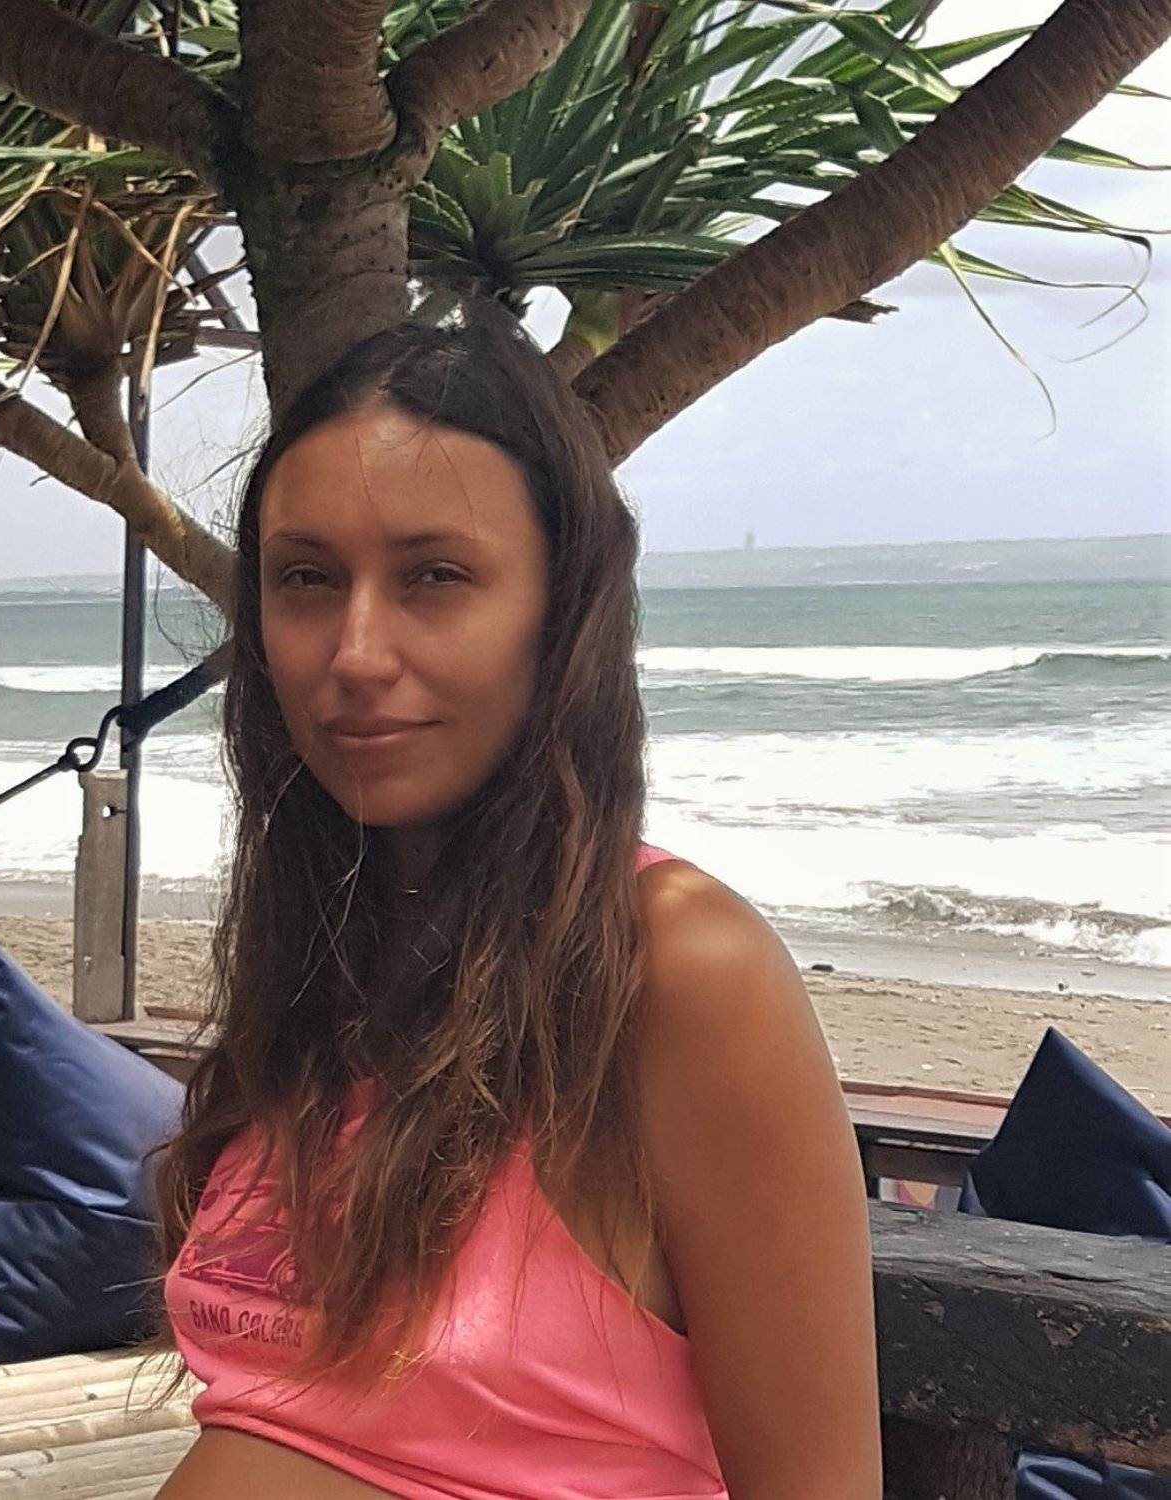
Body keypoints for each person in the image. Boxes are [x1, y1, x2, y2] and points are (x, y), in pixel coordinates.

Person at [149, 302, 881, 1499]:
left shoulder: (677, 969)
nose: (356, 651)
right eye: (307, 580)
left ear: (562, 614)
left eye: (435, 577)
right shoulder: (334, 957)